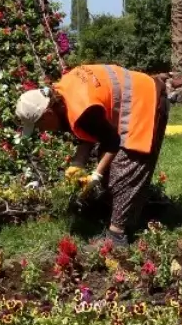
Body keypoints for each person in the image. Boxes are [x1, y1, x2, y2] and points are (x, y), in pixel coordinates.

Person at [15, 64, 169, 246]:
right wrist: (78, 163)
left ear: (48, 113)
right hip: (133, 101)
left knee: (124, 169)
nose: (42, 131)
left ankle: (117, 236)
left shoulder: (81, 107)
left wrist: (96, 174)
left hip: (147, 102)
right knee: (111, 172)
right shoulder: (62, 96)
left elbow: (111, 141)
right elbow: (89, 131)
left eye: (39, 125)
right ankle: (120, 218)